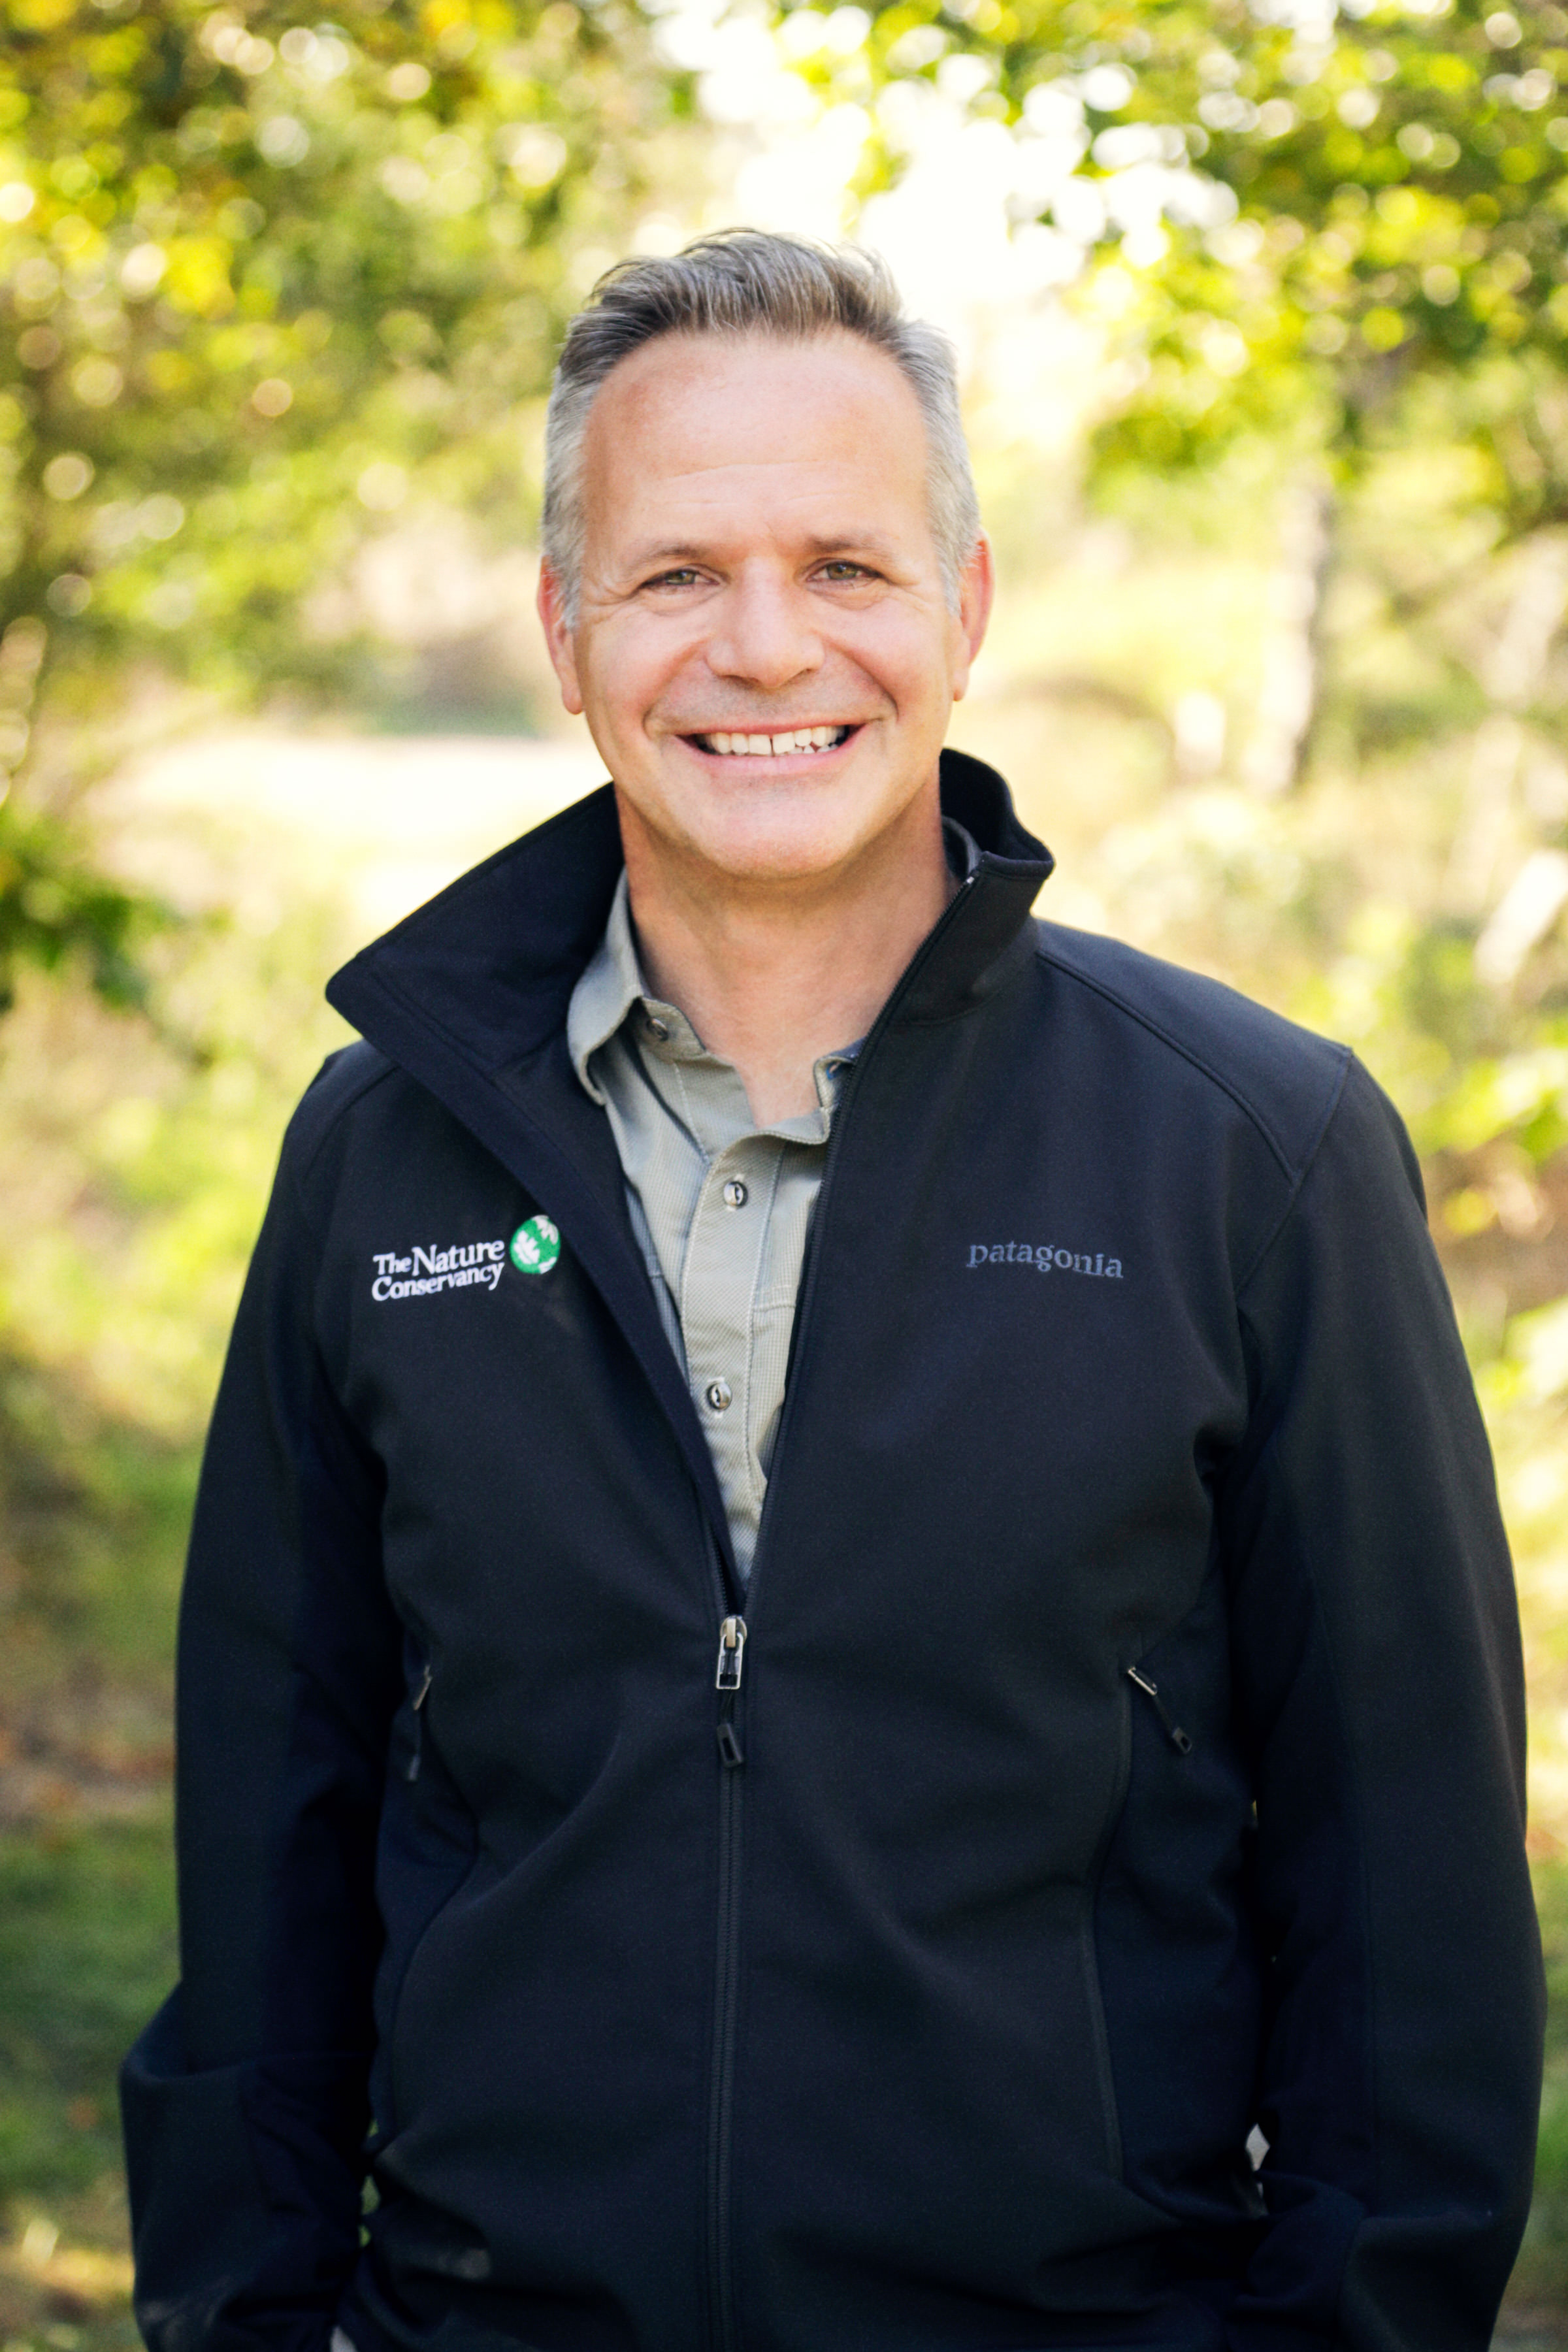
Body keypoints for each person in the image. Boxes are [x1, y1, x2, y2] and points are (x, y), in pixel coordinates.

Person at [122, 230, 1543, 2352]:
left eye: (849, 570)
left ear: (963, 616)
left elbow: (1411, 1903)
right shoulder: (379, 1151)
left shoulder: (1258, 1155)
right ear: (567, 630)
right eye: (679, 573)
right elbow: (270, 1838)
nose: (766, 649)